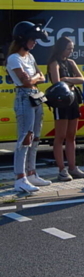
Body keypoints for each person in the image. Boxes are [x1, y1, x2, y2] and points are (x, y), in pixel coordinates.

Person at [7, 21, 51, 194]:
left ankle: (31, 173)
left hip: (35, 96)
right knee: (25, 138)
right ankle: (20, 178)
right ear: (22, 39)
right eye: (32, 39)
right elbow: (25, 81)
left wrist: (32, 79)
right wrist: (34, 79)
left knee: (36, 137)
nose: (35, 42)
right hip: (24, 97)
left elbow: (41, 76)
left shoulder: (29, 57)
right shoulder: (14, 58)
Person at [47, 36, 84, 181]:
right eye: (68, 49)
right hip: (61, 102)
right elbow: (57, 83)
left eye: (72, 48)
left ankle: (73, 167)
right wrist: (68, 81)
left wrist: (68, 80)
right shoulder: (54, 63)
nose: (71, 51)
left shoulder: (71, 62)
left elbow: (82, 79)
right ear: (61, 48)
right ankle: (61, 170)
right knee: (60, 136)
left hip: (73, 100)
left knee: (71, 136)